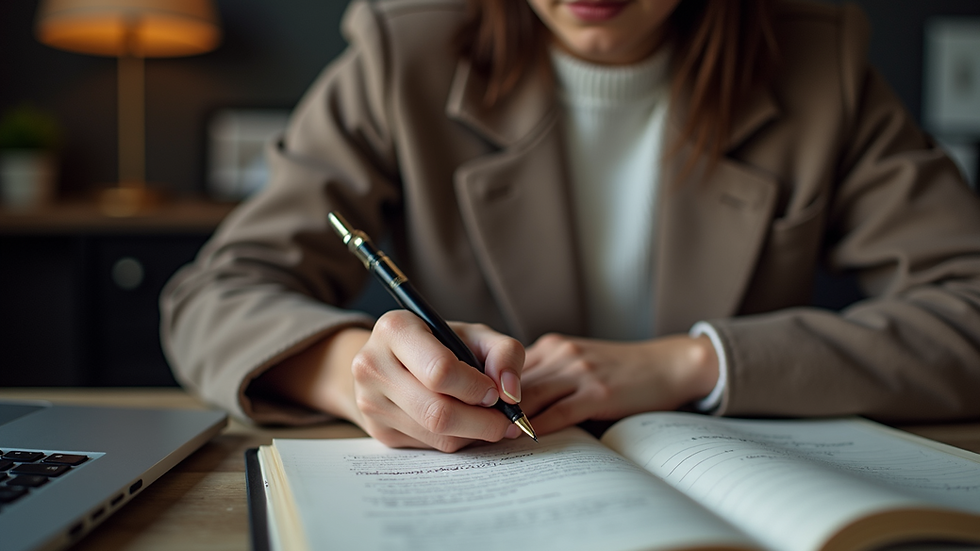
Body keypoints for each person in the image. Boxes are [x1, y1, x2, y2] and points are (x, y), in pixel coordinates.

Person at [161, 0, 980, 453]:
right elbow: (213, 297)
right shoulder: (400, 50)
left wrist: (694, 363)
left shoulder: (819, 59)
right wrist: (352, 373)